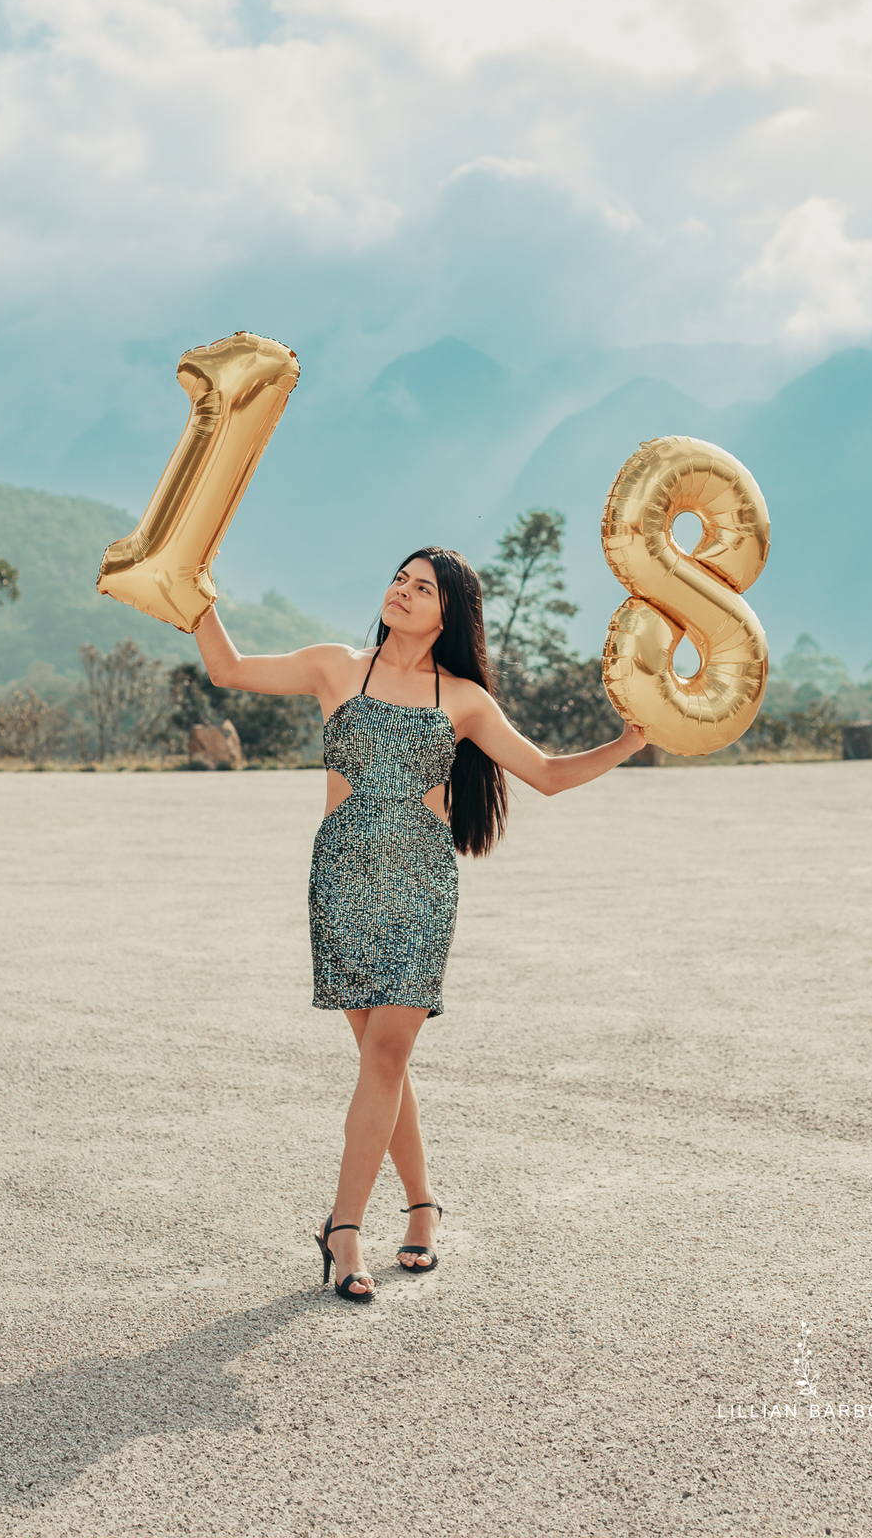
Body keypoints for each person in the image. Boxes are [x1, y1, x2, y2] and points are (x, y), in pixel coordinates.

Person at [193, 545, 646, 1303]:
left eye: (422, 587)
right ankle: (424, 1207)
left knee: (389, 1050)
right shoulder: (336, 667)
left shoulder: (463, 699)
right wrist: (194, 596)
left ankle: (343, 1229)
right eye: (399, 580)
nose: (402, 591)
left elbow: (546, 774)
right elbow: (228, 669)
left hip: (421, 887)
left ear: (449, 614)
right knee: (384, 1062)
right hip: (342, 880)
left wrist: (628, 742)